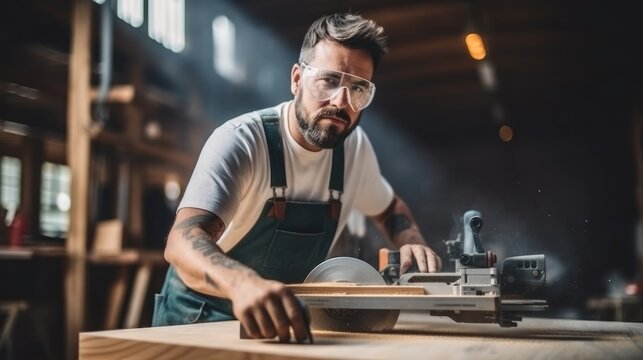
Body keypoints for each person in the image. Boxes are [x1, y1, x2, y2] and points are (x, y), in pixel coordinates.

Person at [153, 13, 442, 342]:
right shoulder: (242, 140)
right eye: (329, 80)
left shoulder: (354, 149)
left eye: (358, 88)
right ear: (296, 80)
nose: (341, 101)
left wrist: (412, 242)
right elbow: (182, 241)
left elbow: (390, 210)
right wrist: (243, 284)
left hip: (281, 323)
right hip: (199, 318)